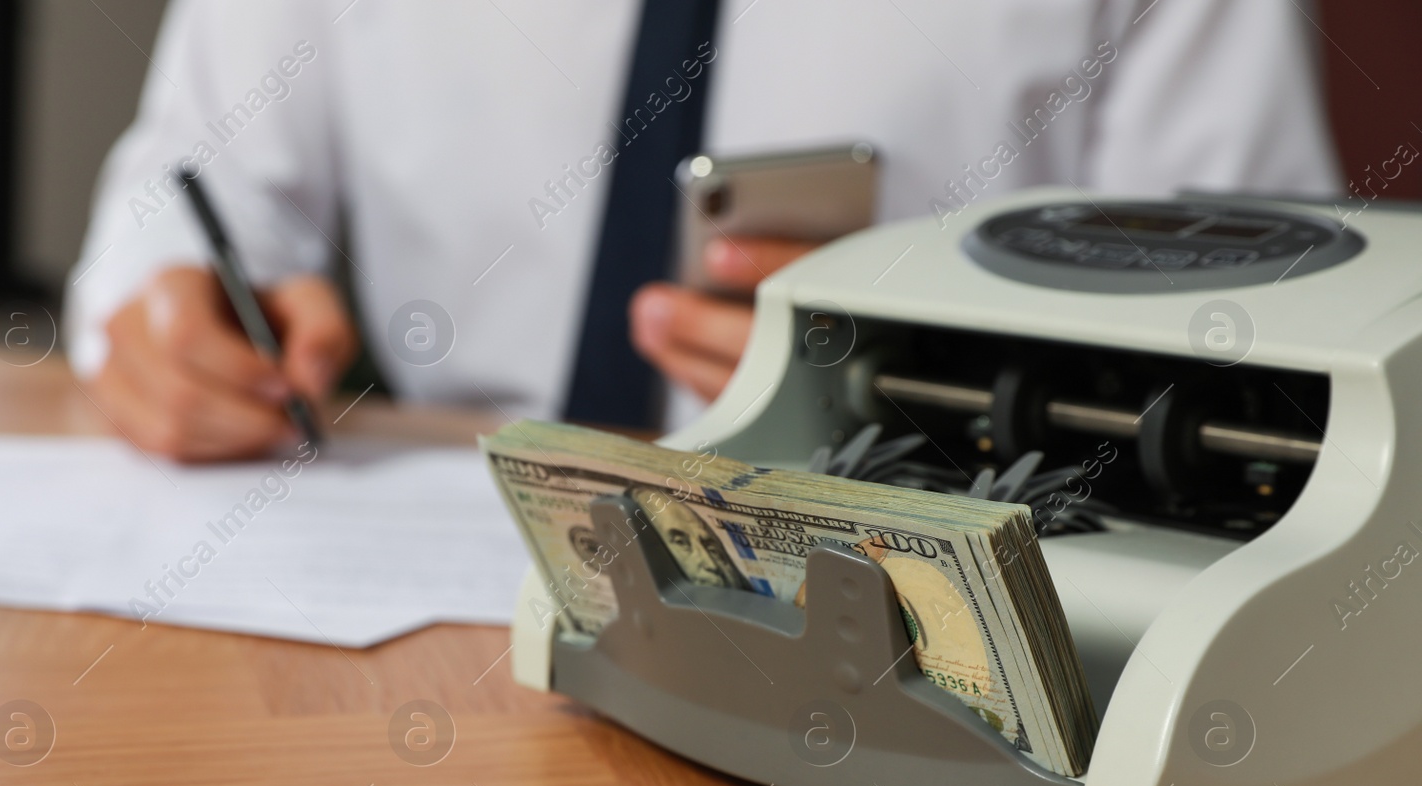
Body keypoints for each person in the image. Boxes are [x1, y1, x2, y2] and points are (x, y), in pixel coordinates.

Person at [67, 0, 1339, 461]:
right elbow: (184, 188)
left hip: (914, 603)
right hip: (446, 560)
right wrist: (164, 315)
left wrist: (947, 386)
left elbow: (1277, 338)